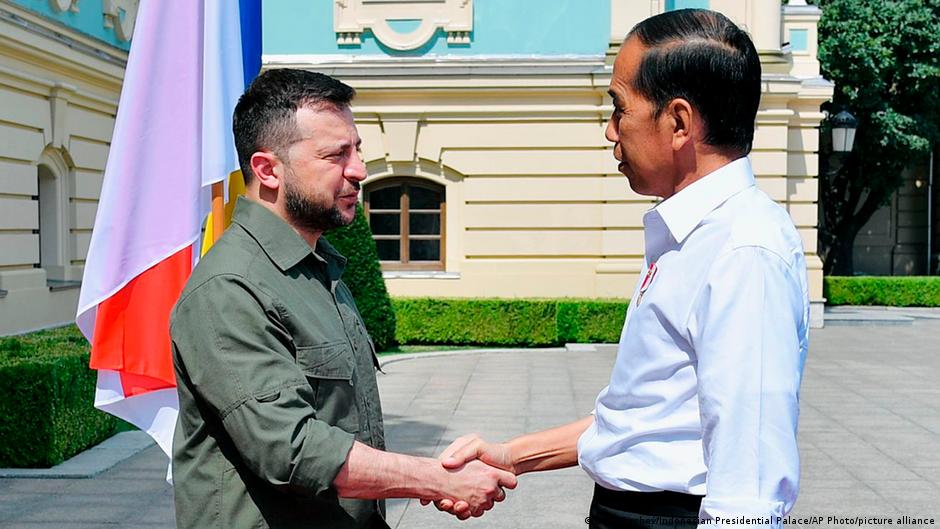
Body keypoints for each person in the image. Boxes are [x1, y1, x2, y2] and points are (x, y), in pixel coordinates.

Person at [431, 9, 809, 529]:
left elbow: (751, 474)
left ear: (678, 122)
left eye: (619, 108)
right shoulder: (689, 235)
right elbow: (644, 420)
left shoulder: (743, 249)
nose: (610, 131)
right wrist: (510, 456)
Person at [169, 68, 516, 529]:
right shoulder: (230, 288)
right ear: (267, 169)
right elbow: (293, 450)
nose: (358, 170)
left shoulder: (319, 269)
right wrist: (436, 479)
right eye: (336, 155)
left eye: (356, 151)